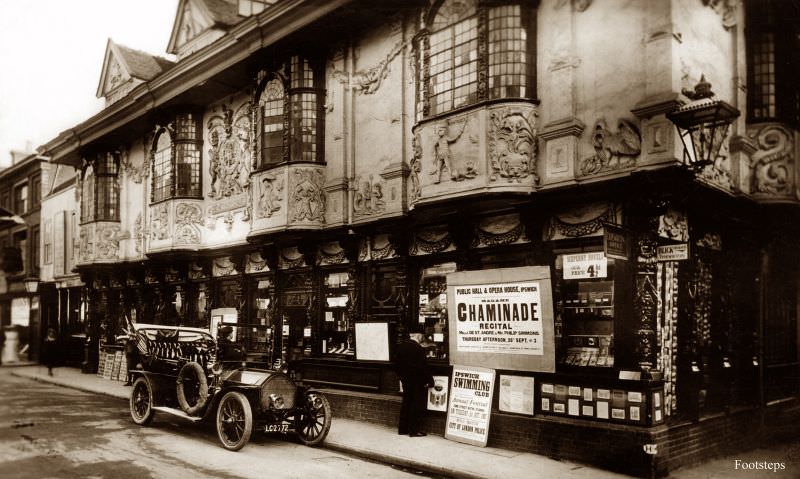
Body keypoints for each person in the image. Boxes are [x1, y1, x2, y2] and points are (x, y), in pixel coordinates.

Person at [394, 330, 434, 437]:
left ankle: (402, 429)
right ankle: (413, 431)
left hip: (406, 381)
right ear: (419, 336)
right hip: (417, 382)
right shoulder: (419, 349)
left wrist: (401, 378)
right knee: (416, 405)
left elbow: (396, 365)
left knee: (406, 403)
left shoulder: (401, 347)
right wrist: (430, 381)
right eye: (422, 336)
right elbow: (423, 367)